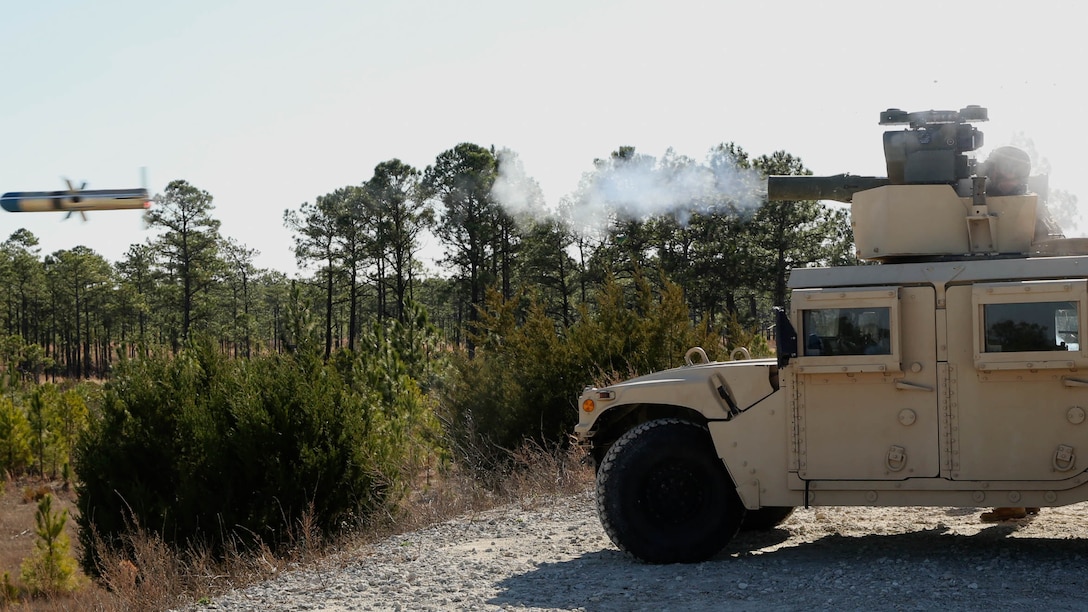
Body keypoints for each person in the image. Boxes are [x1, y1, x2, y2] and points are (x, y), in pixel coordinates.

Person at [979, 145, 1064, 242]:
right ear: (990, 171)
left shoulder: (1035, 206)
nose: (1010, 175)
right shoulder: (974, 203)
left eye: (1017, 169)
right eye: (1004, 167)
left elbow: (1055, 243)